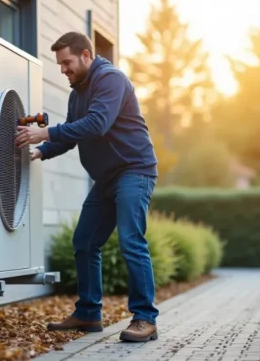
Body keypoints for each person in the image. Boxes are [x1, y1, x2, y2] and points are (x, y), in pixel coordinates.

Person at [14, 31, 160, 343]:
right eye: (59, 64)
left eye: (67, 62)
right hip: (107, 178)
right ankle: (89, 313)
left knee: (131, 240)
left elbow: (97, 124)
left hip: (134, 170)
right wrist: (43, 151)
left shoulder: (110, 80)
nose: (63, 69)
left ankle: (146, 318)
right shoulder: (77, 92)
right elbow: (72, 134)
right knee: (84, 241)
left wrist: (45, 134)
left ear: (86, 55)